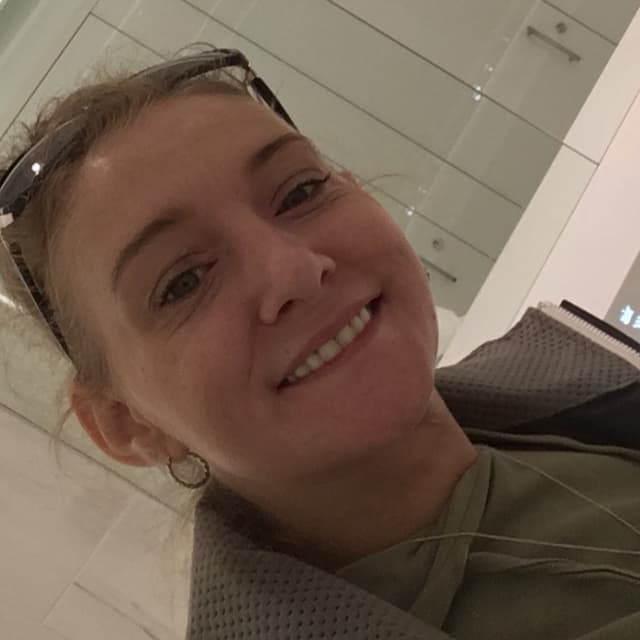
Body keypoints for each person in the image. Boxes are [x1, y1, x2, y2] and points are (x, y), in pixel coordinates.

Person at [1, 46, 639, 640]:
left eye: (300, 191)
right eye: (183, 282)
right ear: (125, 424)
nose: (294, 270)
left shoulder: (577, 380)